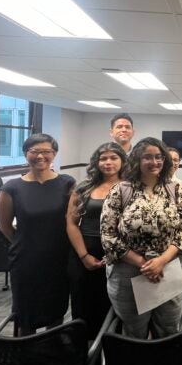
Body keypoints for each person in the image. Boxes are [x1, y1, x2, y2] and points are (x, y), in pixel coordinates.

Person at [100, 137, 182, 339]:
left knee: (168, 331)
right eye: (147, 157)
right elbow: (108, 236)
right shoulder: (120, 190)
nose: (154, 162)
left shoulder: (175, 189)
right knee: (134, 333)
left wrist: (161, 261)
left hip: (168, 269)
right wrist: (145, 264)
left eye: (158, 157)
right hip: (128, 272)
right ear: (137, 161)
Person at [0, 133, 75, 336]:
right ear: (26, 154)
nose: (40, 156)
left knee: (56, 312)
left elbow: (73, 222)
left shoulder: (67, 183)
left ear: (54, 154)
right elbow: (5, 226)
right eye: (34, 151)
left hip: (58, 260)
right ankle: (25, 358)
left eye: (46, 151)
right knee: (25, 315)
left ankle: (51, 354)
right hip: (25, 262)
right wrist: (27, 244)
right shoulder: (12, 187)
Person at [66, 142, 127, 339]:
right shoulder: (84, 187)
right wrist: (84, 256)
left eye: (113, 158)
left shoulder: (131, 186)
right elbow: (72, 223)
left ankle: (109, 357)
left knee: (114, 307)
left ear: (123, 161)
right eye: (103, 158)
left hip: (119, 256)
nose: (108, 162)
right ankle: (84, 358)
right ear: (96, 162)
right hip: (85, 253)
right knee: (84, 308)